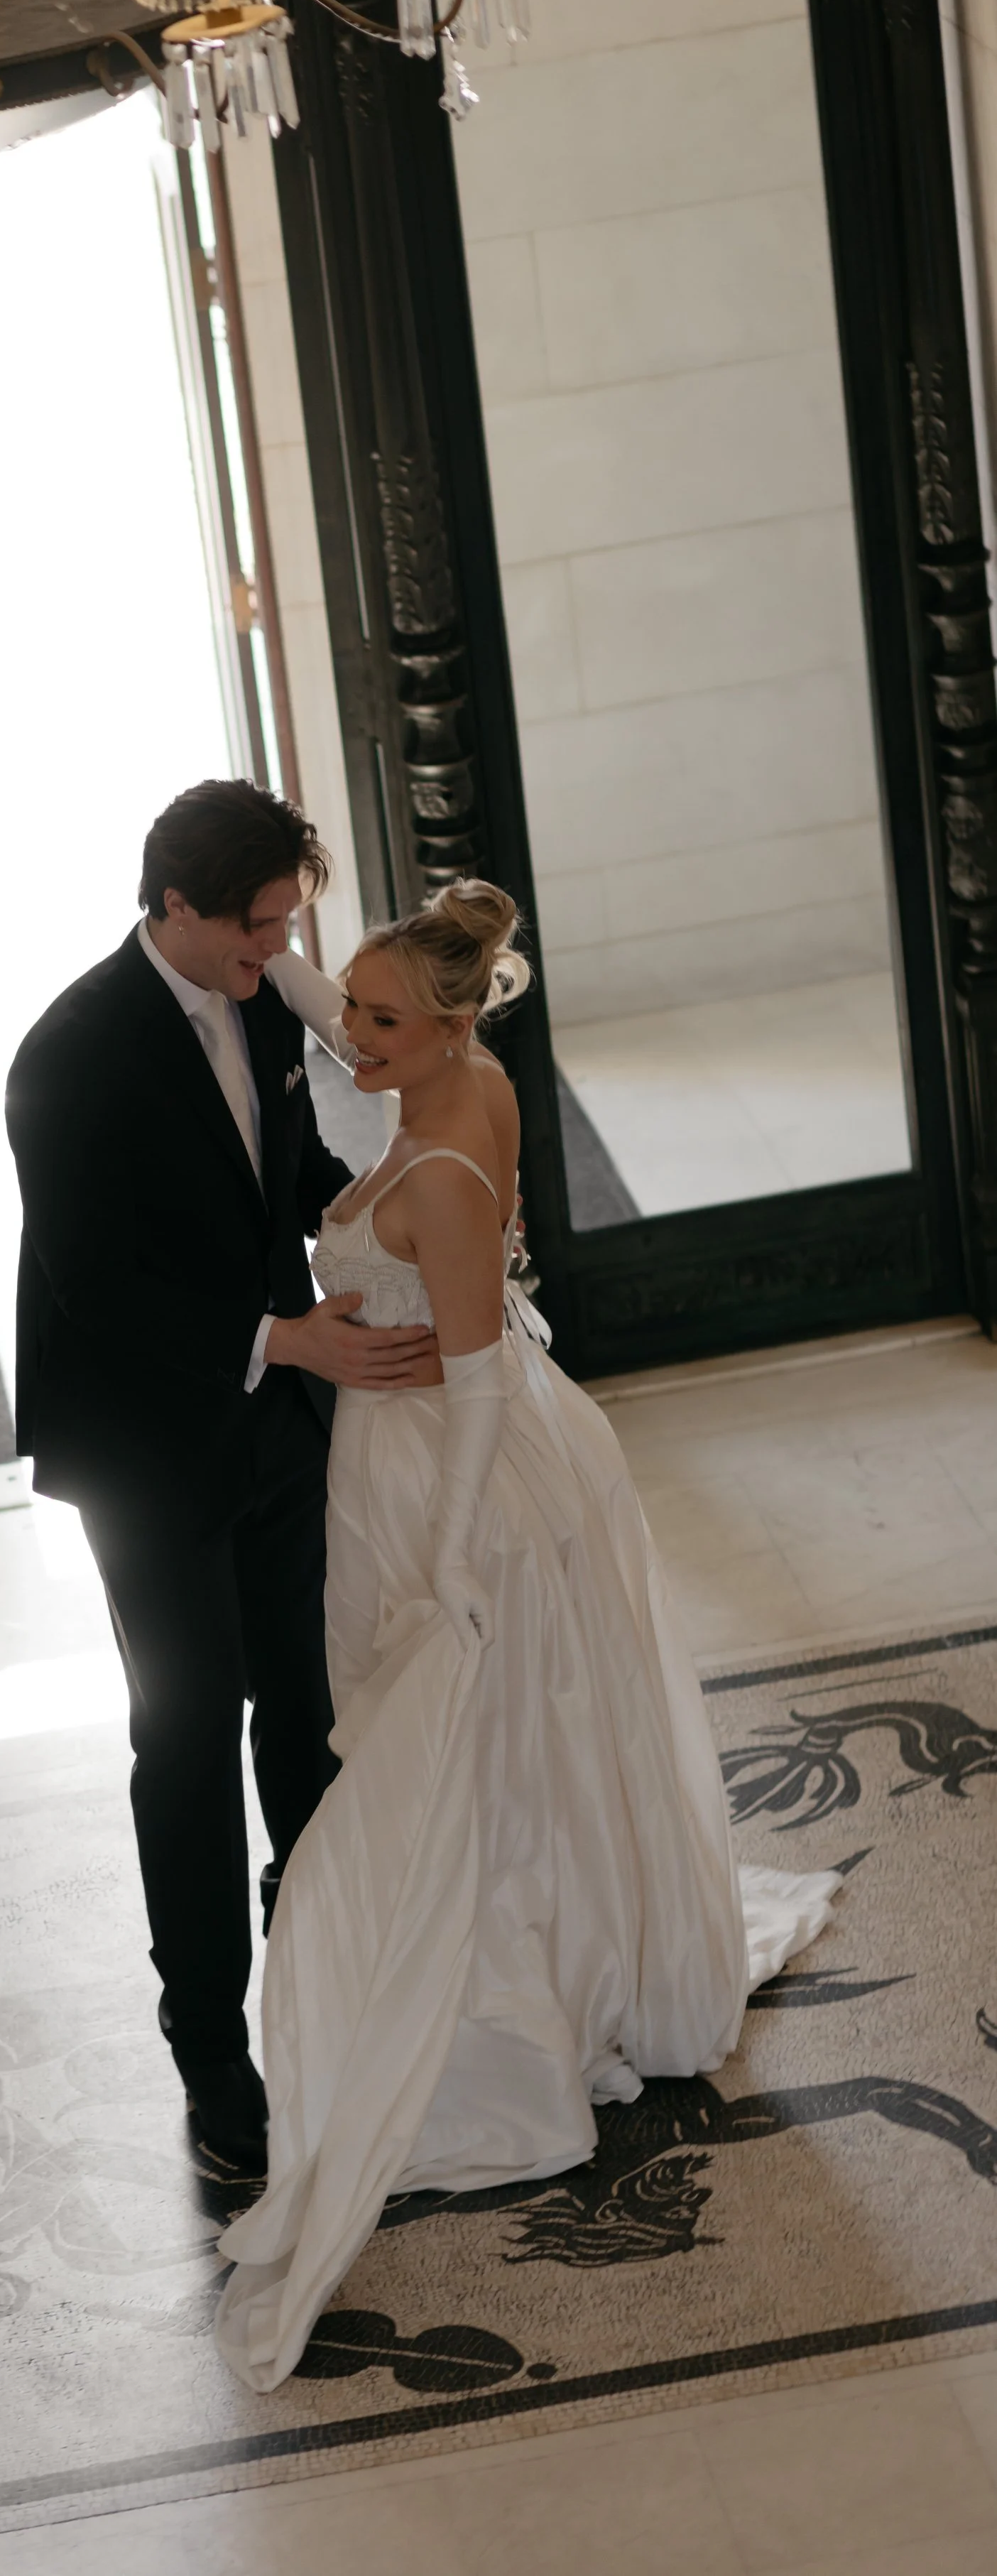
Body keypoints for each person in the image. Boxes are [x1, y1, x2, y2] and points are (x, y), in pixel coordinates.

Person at [214, 879, 840, 2388]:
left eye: (375, 1017)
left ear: (438, 1026)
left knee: (451, 1754)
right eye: (347, 1008)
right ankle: (578, 1959)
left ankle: (495, 2030)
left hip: (456, 1475)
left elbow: (479, 1383)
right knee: (522, 1739)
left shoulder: (431, 1172)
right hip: (441, 1455)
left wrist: (442, 1567)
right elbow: (346, 1019)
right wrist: (273, 956)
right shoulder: (465, 1072)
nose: (345, 1034)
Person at [5, 781, 442, 2178]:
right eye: (257, 928)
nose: (279, 953)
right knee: (186, 1736)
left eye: (284, 925)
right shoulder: (66, 1056)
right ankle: (210, 2053)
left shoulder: (252, 992)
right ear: (175, 909)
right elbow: (98, 1288)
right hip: (142, 1446)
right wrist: (277, 1333)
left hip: (273, 1420)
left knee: (300, 1708)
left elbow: (283, 1166)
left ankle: (313, 1976)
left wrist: (384, 1220)